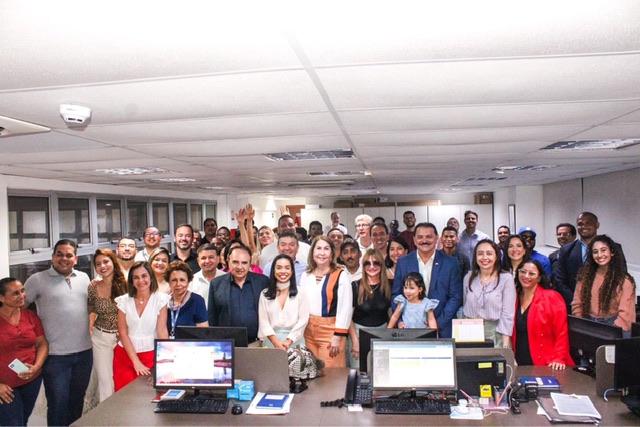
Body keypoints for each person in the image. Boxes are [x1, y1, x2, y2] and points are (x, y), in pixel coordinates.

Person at [24, 239, 93, 426]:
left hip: (84, 353)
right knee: (57, 405)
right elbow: (18, 309)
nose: (64, 258)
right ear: (52, 257)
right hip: (55, 357)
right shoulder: (37, 279)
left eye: (69, 255)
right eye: (59, 254)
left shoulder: (84, 278)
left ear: (75, 259)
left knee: (77, 402)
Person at [392, 222, 462, 338]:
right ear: (414, 240)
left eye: (429, 237)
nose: (424, 240)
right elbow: (396, 294)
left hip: (442, 329)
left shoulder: (451, 263)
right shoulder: (403, 262)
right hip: (409, 328)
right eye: (420, 237)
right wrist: (399, 320)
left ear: (436, 238)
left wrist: (437, 323)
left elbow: (456, 297)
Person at [0, 278, 49, 427]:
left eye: (22, 291)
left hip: (31, 381)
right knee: (14, 423)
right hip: (5, 387)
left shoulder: (30, 316)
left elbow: (42, 343)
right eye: (16, 293)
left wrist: (36, 367)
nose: (22, 295)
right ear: (1, 298)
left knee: (22, 421)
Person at [114, 262, 169, 391]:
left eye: (144, 276)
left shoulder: (160, 300)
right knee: (124, 396)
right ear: (131, 281)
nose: (141, 281)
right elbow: (123, 333)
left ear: (151, 277)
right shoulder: (123, 301)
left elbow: (162, 331)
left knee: (149, 396)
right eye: (136, 277)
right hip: (125, 356)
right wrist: (136, 362)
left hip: (151, 356)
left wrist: (165, 360)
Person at [300, 236, 353, 368]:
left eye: (326, 249)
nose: (322, 253)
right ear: (312, 252)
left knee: (330, 373)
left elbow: (345, 308)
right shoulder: (306, 275)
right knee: (310, 371)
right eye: (318, 248)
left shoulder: (341, 275)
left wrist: (338, 336)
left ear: (332, 254)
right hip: (308, 330)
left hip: (330, 332)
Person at [512, 260, 573, 369]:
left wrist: (559, 357)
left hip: (546, 362)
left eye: (532, 273)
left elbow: (561, 331)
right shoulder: (513, 296)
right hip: (518, 361)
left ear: (539, 278)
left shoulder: (552, 297)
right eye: (523, 272)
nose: (526, 276)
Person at [571, 235, 636, 335]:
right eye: (595, 252)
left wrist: (611, 333)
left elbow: (626, 315)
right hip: (587, 323)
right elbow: (577, 304)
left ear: (612, 252)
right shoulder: (585, 276)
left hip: (614, 327)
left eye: (603, 250)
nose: (599, 255)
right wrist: (581, 325)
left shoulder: (625, 281)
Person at [208, 245, 269, 343]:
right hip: (226, 343)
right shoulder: (216, 284)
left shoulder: (262, 282)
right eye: (235, 262)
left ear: (250, 264)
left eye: (244, 263)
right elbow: (212, 317)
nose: (240, 267)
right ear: (228, 261)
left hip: (257, 343)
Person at [88, 248, 127, 402]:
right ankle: (108, 415)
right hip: (100, 338)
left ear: (113, 262)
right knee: (105, 381)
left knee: (121, 379)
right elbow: (91, 309)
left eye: (105, 262)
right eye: (98, 264)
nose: (102, 266)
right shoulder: (93, 286)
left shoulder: (126, 284)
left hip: (123, 339)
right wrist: (90, 328)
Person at [461, 239, 516, 348]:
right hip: (470, 333)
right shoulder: (468, 277)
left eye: (489, 253)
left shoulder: (506, 279)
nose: (484, 257)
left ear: (496, 256)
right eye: (480, 254)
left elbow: (507, 314)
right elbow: (465, 306)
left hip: (496, 334)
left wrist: (505, 345)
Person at [348, 249, 392, 367]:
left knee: (381, 372)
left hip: (382, 334)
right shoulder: (355, 286)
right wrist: (355, 341)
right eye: (367, 263)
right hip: (358, 334)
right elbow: (348, 317)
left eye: (376, 263)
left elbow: (391, 314)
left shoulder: (389, 285)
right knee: (359, 372)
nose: (372, 267)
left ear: (382, 265)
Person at [258, 255, 310, 349]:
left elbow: (303, 320)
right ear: (273, 270)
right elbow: (263, 322)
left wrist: (288, 341)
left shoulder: (301, 293)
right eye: (279, 268)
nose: (283, 271)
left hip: (295, 341)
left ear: (292, 271)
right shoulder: (265, 294)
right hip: (271, 342)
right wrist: (276, 343)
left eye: (287, 268)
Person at [553, 212, 601, 310]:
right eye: (580, 224)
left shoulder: (612, 248)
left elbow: (620, 277)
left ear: (597, 225)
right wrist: (575, 302)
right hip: (574, 307)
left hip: (603, 307)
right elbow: (559, 280)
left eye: (589, 223)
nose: (584, 226)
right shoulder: (567, 250)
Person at [165, 261, 208, 338]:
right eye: (174, 280)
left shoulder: (197, 301)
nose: (178, 284)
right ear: (169, 282)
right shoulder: (164, 301)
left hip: (191, 345)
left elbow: (203, 333)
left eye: (182, 280)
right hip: (167, 344)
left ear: (188, 281)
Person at [189, 244, 227, 308]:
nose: (207, 261)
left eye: (211, 257)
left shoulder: (227, 278)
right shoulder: (191, 281)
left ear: (218, 259)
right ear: (198, 261)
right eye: (203, 258)